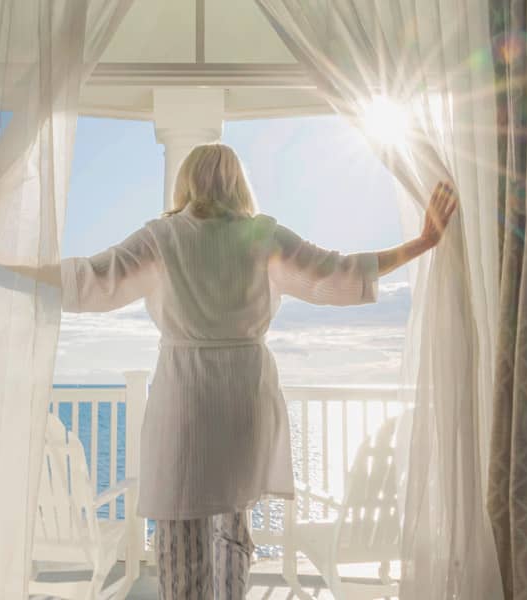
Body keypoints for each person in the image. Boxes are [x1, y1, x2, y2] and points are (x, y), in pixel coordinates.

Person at [54, 143, 456, 599]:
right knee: (233, 524)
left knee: (181, 530)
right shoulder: (261, 234)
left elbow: (93, 277)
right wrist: (419, 243)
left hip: (185, 395)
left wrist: (22, 276)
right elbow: (336, 271)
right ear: (238, 183)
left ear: (185, 181)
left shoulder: (162, 237)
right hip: (243, 395)